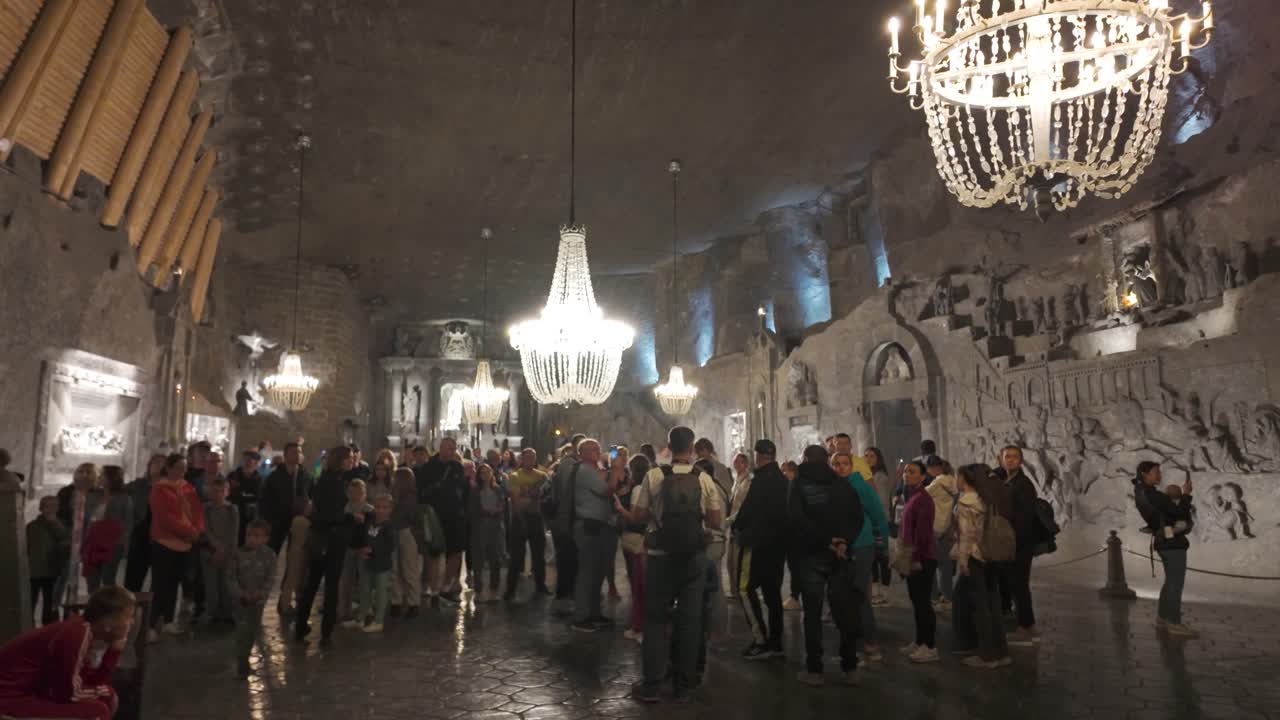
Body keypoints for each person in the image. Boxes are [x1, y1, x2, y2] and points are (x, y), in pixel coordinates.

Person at [630, 426, 724, 703]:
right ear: (692, 447)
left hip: (660, 556)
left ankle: (652, 684)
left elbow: (638, 515)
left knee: (655, 619)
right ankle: (684, 683)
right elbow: (715, 521)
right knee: (690, 620)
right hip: (693, 557)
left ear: (668, 446)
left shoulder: (654, 475)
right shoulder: (704, 478)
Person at [0, 586, 136, 720]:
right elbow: (67, 693)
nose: (132, 623)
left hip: (32, 691)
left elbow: (92, 680)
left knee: (107, 697)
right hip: (10, 698)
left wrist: (113, 652)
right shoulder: (76, 634)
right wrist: (98, 693)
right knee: (98, 712)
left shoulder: (83, 630)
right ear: (108, 623)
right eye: (128, 617)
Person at [789, 445, 864, 687]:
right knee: (844, 611)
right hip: (840, 556)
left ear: (807, 459)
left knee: (812, 613)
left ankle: (815, 669)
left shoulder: (799, 485)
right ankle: (849, 665)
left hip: (811, 555)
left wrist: (825, 541)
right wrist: (844, 541)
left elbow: (796, 519)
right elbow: (857, 516)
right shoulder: (841, 484)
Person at [295, 446, 360, 648]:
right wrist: (351, 517)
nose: (351, 461)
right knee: (329, 586)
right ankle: (325, 632)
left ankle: (302, 626)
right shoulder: (332, 483)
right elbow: (329, 514)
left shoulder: (329, 479)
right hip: (329, 540)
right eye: (348, 458)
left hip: (323, 538)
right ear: (339, 460)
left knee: (313, 583)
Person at [733, 439, 790, 660]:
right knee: (773, 594)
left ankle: (761, 640)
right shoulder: (782, 480)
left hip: (757, 545)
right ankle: (776, 642)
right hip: (778, 546)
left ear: (758, 456)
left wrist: (738, 528)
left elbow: (748, 511)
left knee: (744, 588)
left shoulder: (760, 480)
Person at [952, 464, 1013, 668]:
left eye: (958, 477)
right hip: (993, 554)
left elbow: (966, 536)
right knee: (994, 603)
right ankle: (1001, 651)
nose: (956, 480)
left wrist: (962, 562)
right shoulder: (987, 498)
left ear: (965, 479)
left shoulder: (965, 502)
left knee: (981, 607)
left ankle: (987, 655)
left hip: (976, 556)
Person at [833, 450, 889, 664]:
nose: (840, 468)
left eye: (845, 464)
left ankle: (871, 642)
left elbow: (877, 515)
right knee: (845, 598)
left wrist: (881, 545)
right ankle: (854, 643)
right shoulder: (833, 488)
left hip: (862, 546)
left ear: (852, 466)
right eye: (836, 464)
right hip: (841, 548)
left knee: (860, 596)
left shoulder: (860, 487)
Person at [1134, 461, 1197, 637]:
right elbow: (1180, 513)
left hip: (1162, 539)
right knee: (1175, 583)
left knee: (1170, 581)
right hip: (1172, 542)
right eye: (1156, 472)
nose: (1159, 475)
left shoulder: (1140, 492)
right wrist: (1186, 495)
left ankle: (1162, 617)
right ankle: (1174, 622)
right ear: (1144, 474)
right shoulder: (1152, 494)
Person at [150, 453, 205, 636]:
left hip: (185, 543)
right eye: (179, 468)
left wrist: (197, 530)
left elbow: (197, 511)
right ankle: (151, 624)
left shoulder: (187, 487)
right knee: (160, 584)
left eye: (185, 468)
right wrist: (189, 532)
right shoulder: (159, 489)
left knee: (174, 583)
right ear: (169, 468)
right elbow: (165, 518)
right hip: (165, 541)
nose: (182, 472)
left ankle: (168, 620)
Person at [569, 439, 619, 632]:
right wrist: (614, 471)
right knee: (587, 572)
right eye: (591, 450)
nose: (596, 452)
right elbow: (607, 491)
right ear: (581, 453)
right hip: (588, 526)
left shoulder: (592, 470)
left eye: (597, 449)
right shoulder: (585, 471)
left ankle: (594, 613)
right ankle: (581, 617)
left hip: (597, 525)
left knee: (597, 572)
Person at [258, 442, 312, 615]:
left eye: (300, 452)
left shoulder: (305, 476)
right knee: (270, 557)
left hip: (297, 523)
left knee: (295, 561)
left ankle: (286, 599)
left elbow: (310, 496)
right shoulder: (274, 477)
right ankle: (260, 598)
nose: (298, 455)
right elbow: (265, 501)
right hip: (277, 522)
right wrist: (269, 522)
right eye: (294, 452)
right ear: (286, 455)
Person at [995, 445, 1041, 645]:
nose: (1011, 460)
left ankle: (1027, 626)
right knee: (1012, 584)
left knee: (1019, 585)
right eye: (1007, 457)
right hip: (1007, 542)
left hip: (1018, 544)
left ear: (1021, 461)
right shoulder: (1005, 481)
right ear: (1000, 459)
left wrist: (1013, 544)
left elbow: (1023, 520)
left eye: (1015, 457)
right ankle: (1022, 622)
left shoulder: (1023, 484)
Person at [416, 436, 468, 604]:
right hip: (435, 514)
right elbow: (421, 491)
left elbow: (462, 489)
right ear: (441, 447)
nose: (451, 452)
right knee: (434, 552)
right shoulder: (428, 467)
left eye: (453, 449)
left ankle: (446, 586)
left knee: (455, 551)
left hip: (454, 515)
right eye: (448, 448)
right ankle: (433, 588)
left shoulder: (457, 467)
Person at [899, 460, 939, 663]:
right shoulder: (913, 495)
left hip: (922, 558)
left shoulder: (923, 499)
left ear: (923, 477)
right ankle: (919, 640)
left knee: (923, 603)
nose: (907, 474)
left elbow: (922, 534)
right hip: (914, 555)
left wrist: (915, 559)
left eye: (912, 472)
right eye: (906, 471)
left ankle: (930, 646)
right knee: (916, 601)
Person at [227, 519, 276, 677]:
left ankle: (245, 654)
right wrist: (240, 593)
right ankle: (242, 661)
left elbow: (270, 577)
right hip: (240, 601)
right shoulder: (237, 554)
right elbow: (231, 578)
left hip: (258, 601)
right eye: (249, 535)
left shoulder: (269, 555)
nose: (252, 538)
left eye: (257, 536)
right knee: (242, 630)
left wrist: (261, 593)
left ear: (265, 538)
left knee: (252, 629)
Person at [613, 453, 651, 642]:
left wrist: (620, 509)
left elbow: (636, 517)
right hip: (643, 539)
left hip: (637, 540)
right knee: (642, 584)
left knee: (639, 585)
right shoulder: (650, 485)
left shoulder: (638, 489)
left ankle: (640, 627)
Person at [346, 495, 396, 632]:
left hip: (381, 564)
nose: (380, 510)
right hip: (368, 562)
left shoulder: (389, 526)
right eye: (378, 507)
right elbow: (367, 538)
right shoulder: (371, 523)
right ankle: (361, 617)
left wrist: (373, 551)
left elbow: (390, 546)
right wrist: (363, 549)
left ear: (390, 509)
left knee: (380, 591)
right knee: (365, 589)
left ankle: (378, 620)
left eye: (384, 508)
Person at [505, 448, 550, 599]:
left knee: (539, 556)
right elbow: (516, 500)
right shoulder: (515, 476)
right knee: (516, 556)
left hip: (536, 518)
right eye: (527, 457)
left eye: (533, 457)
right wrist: (531, 495)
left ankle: (540, 585)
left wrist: (527, 493)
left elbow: (545, 496)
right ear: (521, 459)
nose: (530, 460)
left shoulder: (542, 476)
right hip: (520, 519)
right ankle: (510, 589)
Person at [546, 437, 584, 611]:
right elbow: (570, 493)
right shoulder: (570, 466)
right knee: (567, 557)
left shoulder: (569, 464)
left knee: (568, 557)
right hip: (566, 518)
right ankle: (565, 595)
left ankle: (568, 594)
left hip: (567, 518)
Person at [56, 463, 102, 605]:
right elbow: (60, 514)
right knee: (62, 574)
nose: (84, 475)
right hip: (70, 536)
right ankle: (55, 606)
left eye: (89, 472)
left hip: (92, 539)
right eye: (81, 471)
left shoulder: (100, 494)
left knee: (92, 577)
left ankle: (94, 608)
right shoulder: (65, 492)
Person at [83, 465, 132, 593]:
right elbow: (86, 519)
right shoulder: (93, 496)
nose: (99, 478)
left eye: (102, 475)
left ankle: (108, 609)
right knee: (92, 580)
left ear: (112, 478)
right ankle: (93, 608)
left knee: (108, 579)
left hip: (112, 544)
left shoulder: (124, 498)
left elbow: (127, 523)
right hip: (93, 542)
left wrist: (120, 543)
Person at [199, 477, 239, 625]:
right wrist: (215, 546)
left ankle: (228, 612)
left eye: (222, 491)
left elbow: (233, 532)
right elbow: (206, 529)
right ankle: (213, 612)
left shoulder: (232, 509)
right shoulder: (206, 509)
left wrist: (224, 549)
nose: (218, 494)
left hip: (227, 552)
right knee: (211, 585)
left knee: (226, 583)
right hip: (210, 551)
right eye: (215, 491)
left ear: (227, 492)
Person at [123, 454, 164, 592]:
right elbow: (119, 491)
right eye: (156, 463)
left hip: (162, 536)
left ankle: (155, 611)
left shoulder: (172, 487)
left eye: (163, 463)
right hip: (140, 534)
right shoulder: (138, 485)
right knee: (133, 579)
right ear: (149, 466)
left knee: (160, 580)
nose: (159, 466)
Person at [27, 495, 70, 625]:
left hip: (53, 571)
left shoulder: (62, 525)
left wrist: (54, 523)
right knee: (30, 602)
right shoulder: (32, 526)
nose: (51, 509)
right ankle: (29, 626)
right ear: (41, 508)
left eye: (54, 506)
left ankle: (49, 628)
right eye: (48, 506)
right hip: (33, 571)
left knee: (50, 603)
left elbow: (65, 540)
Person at [924, 456, 959, 610]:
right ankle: (948, 596)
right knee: (945, 564)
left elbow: (922, 495)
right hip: (946, 525)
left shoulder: (938, 482)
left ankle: (936, 597)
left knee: (931, 563)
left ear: (933, 468)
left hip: (935, 525)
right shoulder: (952, 479)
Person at [469, 462, 507, 603]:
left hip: (495, 526)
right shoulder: (475, 490)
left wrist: (497, 510)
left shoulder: (497, 489)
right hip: (480, 526)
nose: (485, 475)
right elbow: (472, 508)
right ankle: (478, 589)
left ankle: (493, 589)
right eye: (482, 472)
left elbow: (503, 504)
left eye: (488, 472)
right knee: (478, 559)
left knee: (495, 558)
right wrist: (483, 511)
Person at [388, 468, 424, 618]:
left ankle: (410, 602)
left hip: (405, 532)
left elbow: (406, 516)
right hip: (399, 532)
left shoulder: (408, 497)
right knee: (397, 568)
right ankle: (400, 601)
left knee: (407, 568)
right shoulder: (401, 496)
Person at [338, 478, 374, 622]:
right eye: (353, 492)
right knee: (346, 580)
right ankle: (343, 610)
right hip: (348, 548)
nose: (357, 495)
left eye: (360, 492)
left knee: (365, 581)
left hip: (363, 548)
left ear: (364, 493)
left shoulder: (369, 510)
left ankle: (366, 609)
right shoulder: (344, 510)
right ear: (348, 493)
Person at [863, 447, 894, 606]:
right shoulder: (866, 476)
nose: (868, 458)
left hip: (880, 521)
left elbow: (881, 502)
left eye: (872, 456)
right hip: (870, 521)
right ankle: (875, 591)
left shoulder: (880, 477)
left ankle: (886, 593)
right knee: (873, 557)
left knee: (883, 557)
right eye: (866, 455)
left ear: (878, 458)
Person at [227, 450, 263, 547]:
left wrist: (243, 496)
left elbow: (257, 497)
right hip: (232, 513)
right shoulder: (233, 476)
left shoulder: (259, 479)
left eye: (249, 460)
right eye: (244, 459)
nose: (246, 462)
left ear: (256, 463)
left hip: (249, 515)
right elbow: (228, 494)